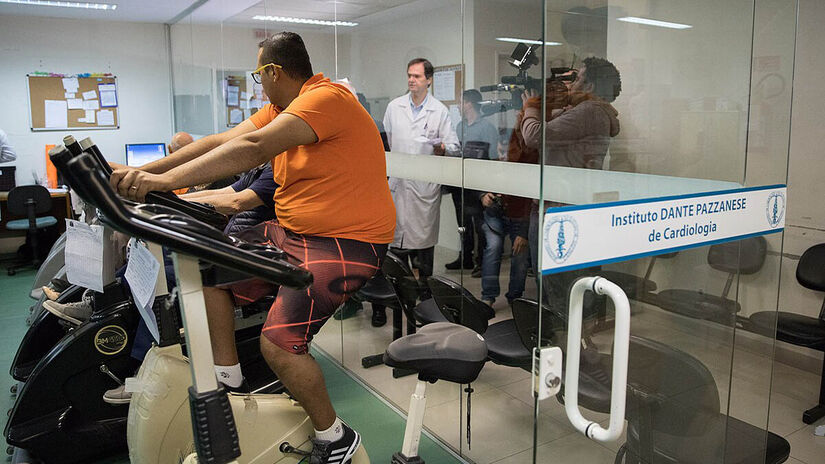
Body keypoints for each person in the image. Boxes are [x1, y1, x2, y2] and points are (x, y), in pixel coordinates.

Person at [109, 31, 395, 463]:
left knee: (279, 344)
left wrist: (162, 183)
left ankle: (334, 437)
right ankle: (229, 385)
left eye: (259, 75)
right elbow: (220, 141)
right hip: (295, 233)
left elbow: (253, 146)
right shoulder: (282, 107)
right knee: (209, 263)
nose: (259, 83)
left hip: (348, 242)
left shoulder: (326, 98)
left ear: (273, 71)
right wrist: (141, 172)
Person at [521, 56, 621, 318]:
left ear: (590, 86)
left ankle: (568, 347)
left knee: (558, 287)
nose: (571, 83)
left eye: (577, 78)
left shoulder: (589, 112)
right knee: (559, 284)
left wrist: (531, 107)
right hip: (561, 204)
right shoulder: (590, 112)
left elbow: (533, 136)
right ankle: (567, 344)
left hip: (559, 208)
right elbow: (557, 128)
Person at [383, 58, 459, 312]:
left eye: (416, 76)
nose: (411, 80)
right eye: (409, 76)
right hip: (399, 184)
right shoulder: (395, 107)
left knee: (424, 248)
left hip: (424, 187)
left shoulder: (439, 110)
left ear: (429, 79)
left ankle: (426, 300)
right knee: (396, 247)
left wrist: (442, 147)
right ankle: (399, 297)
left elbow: (454, 146)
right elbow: (391, 141)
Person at [445, 89, 498, 273]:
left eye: (461, 102)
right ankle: (465, 257)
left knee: (480, 225)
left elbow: (493, 158)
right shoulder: (460, 126)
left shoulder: (487, 128)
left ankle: (482, 262)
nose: (458, 106)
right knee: (463, 223)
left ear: (468, 104)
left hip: (478, 184)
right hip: (460, 182)